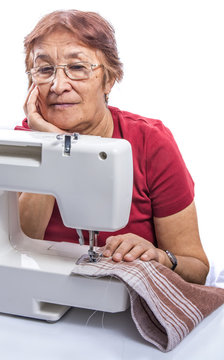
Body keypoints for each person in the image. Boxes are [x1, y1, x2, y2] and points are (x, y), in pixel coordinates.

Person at [17, 9, 209, 284]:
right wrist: (53, 146)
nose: (58, 85)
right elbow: (18, 245)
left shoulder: (150, 143)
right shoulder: (24, 141)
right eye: (45, 70)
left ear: (109, 79)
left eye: (78, 68)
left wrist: (160, 257)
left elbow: (197, 269)